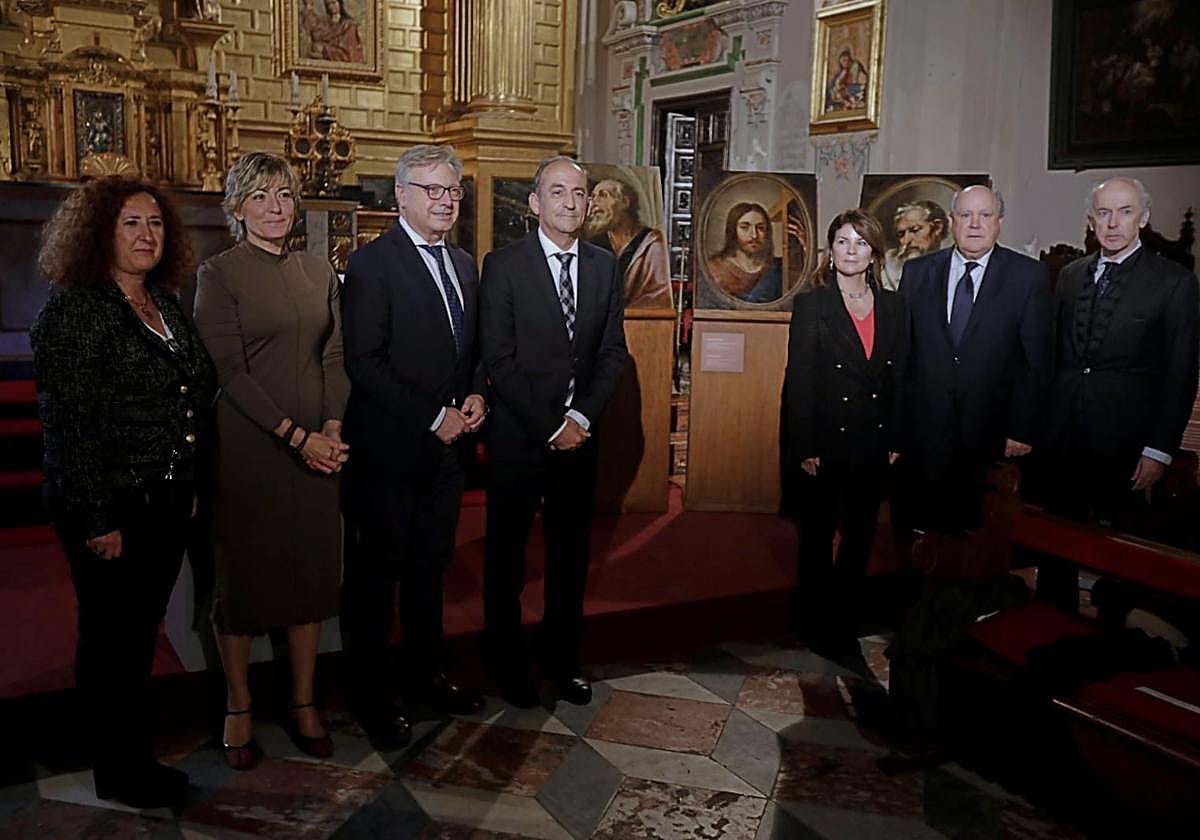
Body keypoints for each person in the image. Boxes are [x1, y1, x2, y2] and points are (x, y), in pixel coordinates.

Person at [31, 176, 214, 807]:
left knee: (138, 635)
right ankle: (118, 769)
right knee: (112, 639)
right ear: (99, 234)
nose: (146, 235)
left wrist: (186, 481)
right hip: (109, 505)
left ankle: (133, 755)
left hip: (165, 499)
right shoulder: (75, 311)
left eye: (156, 223)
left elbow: (188, 395)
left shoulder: (163, 302)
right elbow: (69, 425)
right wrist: (95, 517)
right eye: (131, 223)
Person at [193, 152, 350, 769]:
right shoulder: (219, 274)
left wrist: (331, 427)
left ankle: (304, 700)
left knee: (309, 572)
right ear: (237, 207)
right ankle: (238, 705)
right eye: (260, 196)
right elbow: (229, 371)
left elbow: (333, 356)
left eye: (283, 194)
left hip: (319, 446)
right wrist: (295, 435)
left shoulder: (318, 269)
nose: (275, 208)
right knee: (245, 578)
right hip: (250, 446)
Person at [340, 144, 487, 746]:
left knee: (431, 571)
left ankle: (427, 677)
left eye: (453, 190)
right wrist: (433, 416)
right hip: (388, 453)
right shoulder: (372, 265)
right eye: (432, 189)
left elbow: (471, 351)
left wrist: (477, 394)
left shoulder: (465, 264)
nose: (446, 201)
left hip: (448, 457)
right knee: (378, 582)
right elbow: (364, 362)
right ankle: (373, 700)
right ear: (401, 194)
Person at [480, 156, 628, 708]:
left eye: (579, 193)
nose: (570, 202)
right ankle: (506, 665)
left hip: (579, 439)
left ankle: (561, 661)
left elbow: (613, 353)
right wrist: (549, 425)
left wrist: (580, 418)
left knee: (569, 558)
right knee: (507, 559)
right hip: (521, 437)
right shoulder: (503, 265)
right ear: (535, 203)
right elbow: (498, 357)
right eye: (558, 191)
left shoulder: (604, 266)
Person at [1042, 177, 1199, 529]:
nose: (1113, 223)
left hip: (1127, 447)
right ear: (1091, 221)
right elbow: (1053, 357)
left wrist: (1158, 450)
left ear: (1143, 218)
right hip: (1060, 441)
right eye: (1103, 213)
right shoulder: (1069, 276)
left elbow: (1181, 375)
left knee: (1117, 550)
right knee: (1053, 541)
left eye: (1125, 212)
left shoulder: (1175, 283)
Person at [784, 209, 907, 657]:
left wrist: (896, 438)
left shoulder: (894, 306)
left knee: (860, 535)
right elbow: (799, 380)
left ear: (874, 252)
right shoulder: (812, 305)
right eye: (842, 241)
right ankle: (813, 618)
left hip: (874, 440)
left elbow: (899, 376)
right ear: (830, 250)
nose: (851, 251)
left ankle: (844, 616)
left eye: (861, 242)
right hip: (826, 440)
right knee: (817, 537)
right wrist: (805, 445)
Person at [898, 185, 1052, 535]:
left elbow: (1037, 361)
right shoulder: (917, 273)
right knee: (920, 533)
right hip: (925, 431)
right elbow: (903, 353)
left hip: (990, 433)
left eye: (985, 215)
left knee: (977, 536)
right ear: (952, 221)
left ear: (999, 222)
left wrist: (1023, 428)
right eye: (966, 215)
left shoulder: (1028, 276)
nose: (975, 224)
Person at [584, 176, 672, 308]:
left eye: (603, 195)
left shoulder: (652, 243)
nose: (594, 203)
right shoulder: (595, 244)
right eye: (593, 197)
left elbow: (658, 296)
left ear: (625, 202)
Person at [882, 200, 951, 291]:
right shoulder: (886, 265)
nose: (906, 241)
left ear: (938, 227)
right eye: (901, 234)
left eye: (915, 230)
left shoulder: (953, 266)